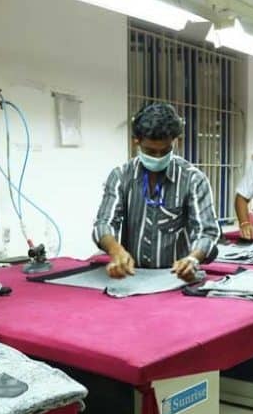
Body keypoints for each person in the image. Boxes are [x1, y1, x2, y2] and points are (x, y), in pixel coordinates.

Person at [92, 103, 220, 281]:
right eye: (150, 151)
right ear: (136, 141)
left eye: (165, 150)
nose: (158, 157)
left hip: (175, 278)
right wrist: (116, 251)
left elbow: (206, 231)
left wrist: (192, 259)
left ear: (176, 142)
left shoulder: (193, 180)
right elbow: (104, 224)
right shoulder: (121, 176)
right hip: (132, 277)